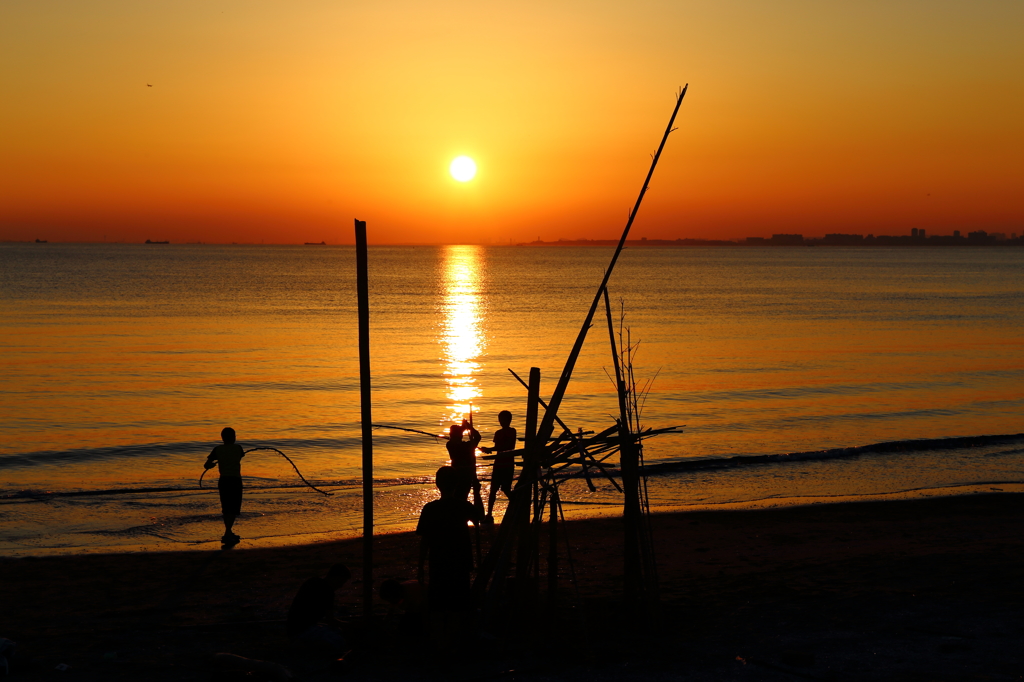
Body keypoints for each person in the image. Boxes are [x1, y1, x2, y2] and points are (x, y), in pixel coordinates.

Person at [417, 466, 480, 647]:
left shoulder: (430, 508)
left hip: (438, 562)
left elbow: (425, 540)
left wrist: (421, 565)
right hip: (461, 561)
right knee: (457, 606)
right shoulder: (463, 507)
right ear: (457, 484)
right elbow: (480, 516)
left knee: (438, 605)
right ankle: (454, 642)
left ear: (437, 484)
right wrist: (477, 491)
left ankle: (441, 643)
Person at [287, 564, 351, 656]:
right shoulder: (328, 591)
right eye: (342, 582)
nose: (341, 586)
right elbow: (331, 620)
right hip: (303, 629)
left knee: (336, 633)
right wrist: (349, 626)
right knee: (339, 642)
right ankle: (303, 647)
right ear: (336, 578)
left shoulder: (313, 582)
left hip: (293, 627)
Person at [204, 426, 245, 544]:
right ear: (234, 437)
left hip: (223, 481)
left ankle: (228, 532)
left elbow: (206, 465)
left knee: (226, 507)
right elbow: (241, 456)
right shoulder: (238, 448)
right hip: (236, 480)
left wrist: (211, 466)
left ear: (222, 438)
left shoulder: (217, 449)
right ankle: (228, 532)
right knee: (234, 507)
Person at [480, 410, 517, 520]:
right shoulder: (498, 433)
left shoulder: (512, 431)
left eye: (504, 419)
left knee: (506, 488)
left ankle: (515, 506)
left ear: (509, 420)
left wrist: (490, 449)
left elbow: (509, 446)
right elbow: (498, 448)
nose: (502, 422)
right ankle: (489, 514)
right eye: (500, 419)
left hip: (508, 464)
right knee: (493, 490)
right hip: (498, 464)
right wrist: (489, 450)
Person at [446, 419, 483, 515]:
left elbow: (455, 439)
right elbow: (478, 437)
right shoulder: (468, 445)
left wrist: (464, 427)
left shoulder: (450, 444)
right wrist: (469, 427)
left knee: (458, 497)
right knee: (462, 497)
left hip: (458, 475)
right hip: (466, 475)